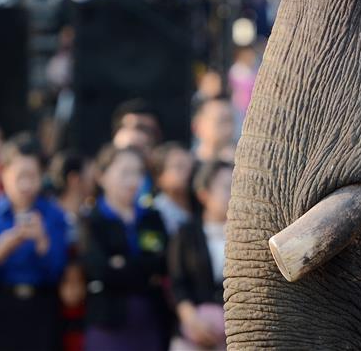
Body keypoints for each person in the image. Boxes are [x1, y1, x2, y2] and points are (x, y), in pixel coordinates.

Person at [0, 140, 68, 351]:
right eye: (19, 177)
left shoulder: (54, 215)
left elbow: (57, 273)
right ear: (3, 173)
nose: (26, 185)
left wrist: (43, 242)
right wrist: (0, 251)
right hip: (2, 307)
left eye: (32, 177)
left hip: (42, 308)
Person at [81, 146, 169, 351]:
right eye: (125, 172)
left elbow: (162, 263)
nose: (133, 180)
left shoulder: (151, 217)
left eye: (138, 173)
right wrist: (144, 271)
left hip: (151, 317)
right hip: (107, 321)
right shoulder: (92, 219)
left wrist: (122, 264)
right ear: (101, 175)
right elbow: (99, 269)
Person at [168, 161, 232, 350]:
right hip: (191, 336)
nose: (233, 193)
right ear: (204, 193)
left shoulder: (248, 235)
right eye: (226, 187)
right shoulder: (185, 233)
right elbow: (177, 283)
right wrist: (193, 321)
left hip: (234, 336)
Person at [47, 153, 94, 245]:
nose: (93, 182)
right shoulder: (49, 217)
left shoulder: (89, 213)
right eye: (89, 175)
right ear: (73, 179)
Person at [152, 143, 195, 236]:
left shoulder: (201, 207)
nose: (187, 172)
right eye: (179, 167)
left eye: (190, 167)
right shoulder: (155, 213)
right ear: (159, 176)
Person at [191, 98, 236, 163]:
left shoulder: (239, 164)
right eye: (222, 121)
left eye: (231, 121)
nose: (229, 128)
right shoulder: (187, 167)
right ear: (197, 125)